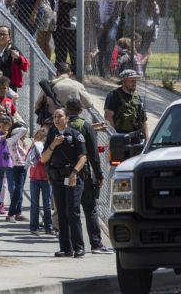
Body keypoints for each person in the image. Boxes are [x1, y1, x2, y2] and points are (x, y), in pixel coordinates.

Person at [66, 98, 114, 254]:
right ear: (81, 110)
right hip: (83, 174)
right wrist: (99, 174)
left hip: (65, 174)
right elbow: (93, 154)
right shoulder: (85, 126)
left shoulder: (62, 126)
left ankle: (71, 245)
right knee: (90, 209)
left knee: (69, 209)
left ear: (67, 110)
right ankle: (96, 244)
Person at [41, 108, 87, 258]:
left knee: (72, 212)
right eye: (54, 116)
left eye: (59, 116)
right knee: (61, 213)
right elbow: (44, 159)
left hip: (73, 177)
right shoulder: (52, 135)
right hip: (57, 178)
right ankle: (66, 248)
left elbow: (83, 158)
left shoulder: (75, 135)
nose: (56, 119)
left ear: (67, 118)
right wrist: (53, 144)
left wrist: (74, 172)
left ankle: (79, 247)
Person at [120, 0, 159, 75]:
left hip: (148, 32)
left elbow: (157, 19)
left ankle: (142, 72)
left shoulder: (153, 3)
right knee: (135, 52)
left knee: (145, 52)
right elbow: (127, 14)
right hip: (136, 31)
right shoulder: (134, 2)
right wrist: (129, 26)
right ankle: (133, 71)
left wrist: (155, 34)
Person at [104, 69, 148, 139]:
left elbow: (143, 120)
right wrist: (115, 137)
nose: (134, 83)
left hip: (136, 138)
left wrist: (147, 140)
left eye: (135, 80)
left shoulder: (136, 97)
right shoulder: (114, 95)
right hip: (121, 136)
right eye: (132, 80)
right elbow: (108, 117)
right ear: (123, 81)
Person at [26, 127, 54, 235]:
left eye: (42, 138)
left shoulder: (48, 149)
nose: (39, 140)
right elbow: (28, 159)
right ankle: (34, 227)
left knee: (47, 204)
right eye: (37, 137)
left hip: (46, 179)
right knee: (34, 204)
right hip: (34, 178)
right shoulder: (33, 147)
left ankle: (49, 227)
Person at [0, 25, 26, 92]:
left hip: (9, 86)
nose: (2, 36)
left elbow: (25, 66)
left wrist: (18, 58)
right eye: (0, 34)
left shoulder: (13, 49)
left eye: (4, 34)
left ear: (9, 37)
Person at [0, 115, 16, 217]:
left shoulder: (13, 135)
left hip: (10, 164)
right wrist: (4, 135)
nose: (2, 128)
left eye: (4, 126)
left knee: (12, 187)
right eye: (0, 126)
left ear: (10, 126)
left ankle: (13, 208)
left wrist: (9, 134)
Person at [97, 0, 122, 77]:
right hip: (100, 23)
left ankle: (107, 68)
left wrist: (107, 25)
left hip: (112, 23)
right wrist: (99, 23)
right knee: (101, 46)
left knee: (110, 39)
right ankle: (101, 70)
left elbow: (117, 12)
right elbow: (96, 7)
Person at [53, 0, 76, 72]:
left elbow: (69, 0)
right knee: (60, 50)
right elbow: (56, 10)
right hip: (60, 27)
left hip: (71, 28)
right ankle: (59, 69)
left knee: (73, 52)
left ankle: (74, 71)